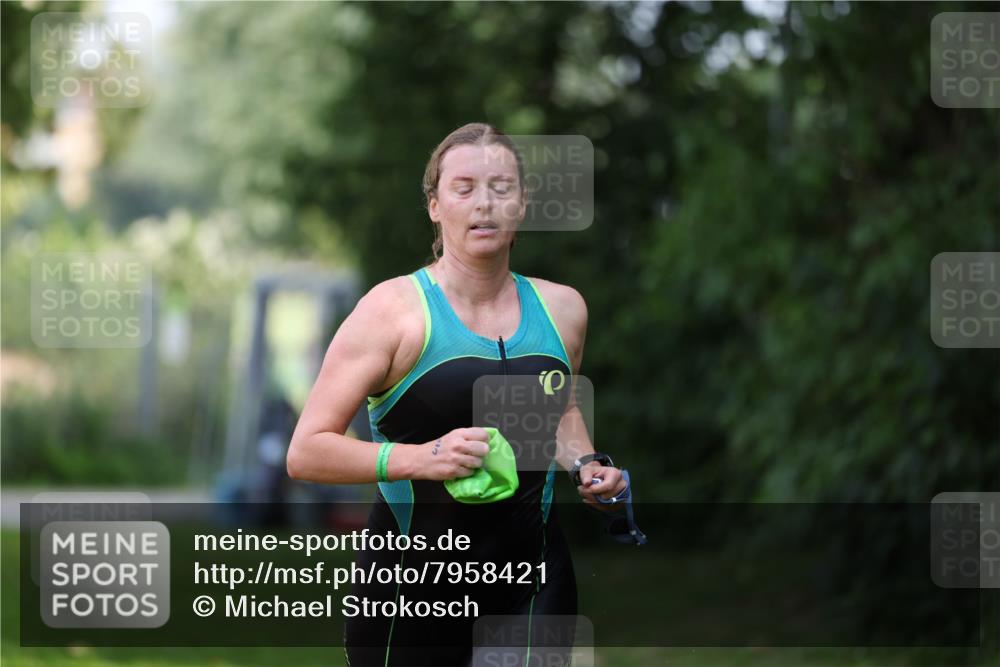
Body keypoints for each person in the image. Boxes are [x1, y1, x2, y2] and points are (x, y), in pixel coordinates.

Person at [287, 122, 628, 666]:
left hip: (533, 585)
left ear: (522, 204)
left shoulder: (563, 310)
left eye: (501, 188)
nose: (484, 204)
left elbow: (559, 407)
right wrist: (422, 458)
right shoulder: (391, 312)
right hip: (412, 591)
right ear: (434, 206)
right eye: (464, 187)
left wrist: (586, 463)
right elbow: (307, 451)